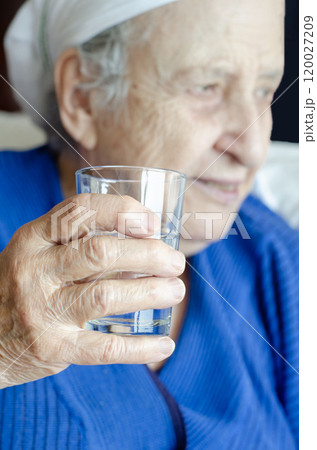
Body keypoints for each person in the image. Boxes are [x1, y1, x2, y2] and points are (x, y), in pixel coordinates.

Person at [0, 0, 298, 448]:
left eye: (263, 90)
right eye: (206, 86)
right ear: (84, 95)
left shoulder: (275, 257)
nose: (254, 148)